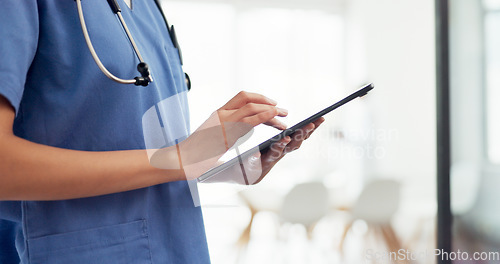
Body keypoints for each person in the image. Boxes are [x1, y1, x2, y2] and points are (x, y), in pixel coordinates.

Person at [0, 1, 324, 263]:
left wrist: (232, 164)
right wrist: (180, 158)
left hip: (182, 247)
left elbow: (160, 165)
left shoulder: (148, 8)